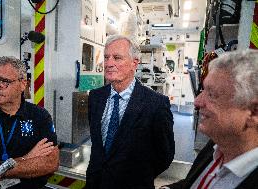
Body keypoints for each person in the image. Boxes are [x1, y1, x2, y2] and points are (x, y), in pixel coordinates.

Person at [85, 35, 175, 189]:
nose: (109, 63)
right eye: (106, 57)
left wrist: (138, 176)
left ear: (134, 63)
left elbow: (164, 156)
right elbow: (98, 145)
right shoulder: (95, 97)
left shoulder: (156, 104)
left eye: (117, 58)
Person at [161, 49, 258, 189]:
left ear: (254, 112)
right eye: (203, 91)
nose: (197, 101)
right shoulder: (216, 147)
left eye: (212, 95)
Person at [0, 56, 59, 189]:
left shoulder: (40, 116)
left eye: (4, 81)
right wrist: (26, 159)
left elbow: (50, 163)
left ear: (22, 84)